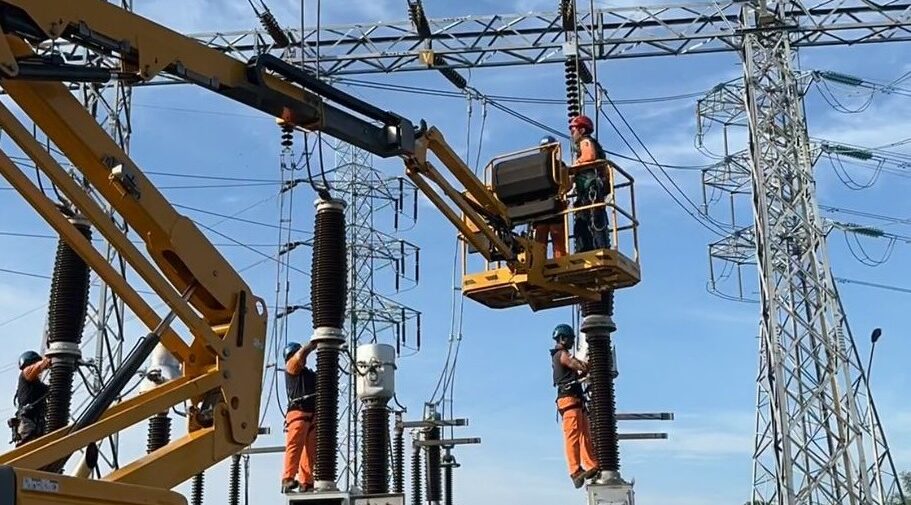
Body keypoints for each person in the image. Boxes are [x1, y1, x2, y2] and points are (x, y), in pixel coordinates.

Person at [550, 324, 599, 488]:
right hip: (568, 400)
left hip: (576, 400)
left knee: (584, 433)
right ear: (563, 339)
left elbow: (577, 368)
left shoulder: (564, 355)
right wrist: (585, 366)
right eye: (570, 339)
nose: (572, 342)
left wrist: (585, 368)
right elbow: (573, 363)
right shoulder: (560, 354)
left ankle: (591, 464)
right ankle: (575, 471)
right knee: (573, 436)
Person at [568, 115, 610, 253]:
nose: (572, 134)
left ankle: (593, 248)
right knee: (588, 221)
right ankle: (592, 248)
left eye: (573, 130)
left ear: (581, 130)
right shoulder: (593, 144)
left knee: (590, 220)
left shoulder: (585, 141)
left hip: (590, 188)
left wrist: (576, 164)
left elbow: (589, 156)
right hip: (589, 189)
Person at [282, 340, 318, 493]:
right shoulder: (291, 366)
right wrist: (311, 345)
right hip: (298, 413)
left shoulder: (308, 374)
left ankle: (306, 482)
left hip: (312, 415)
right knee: (295, 446)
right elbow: (300, 356)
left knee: (310, 452)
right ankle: (288, 478)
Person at [532, 136, 567, 259]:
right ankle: (556, 261)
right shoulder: (558, 165)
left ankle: (548, 261)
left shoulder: (536, 167)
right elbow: (566, 185)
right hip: (550, 206)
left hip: (544, 207)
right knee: (548, 234)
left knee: (547, 235)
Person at [12, 350, 50, 446]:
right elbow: (38, 367)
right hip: (28, 423)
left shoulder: (38, 385)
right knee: (28, 449)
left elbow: (52, 390)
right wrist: (51, 359)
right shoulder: (25, 374)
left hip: (38, 423)